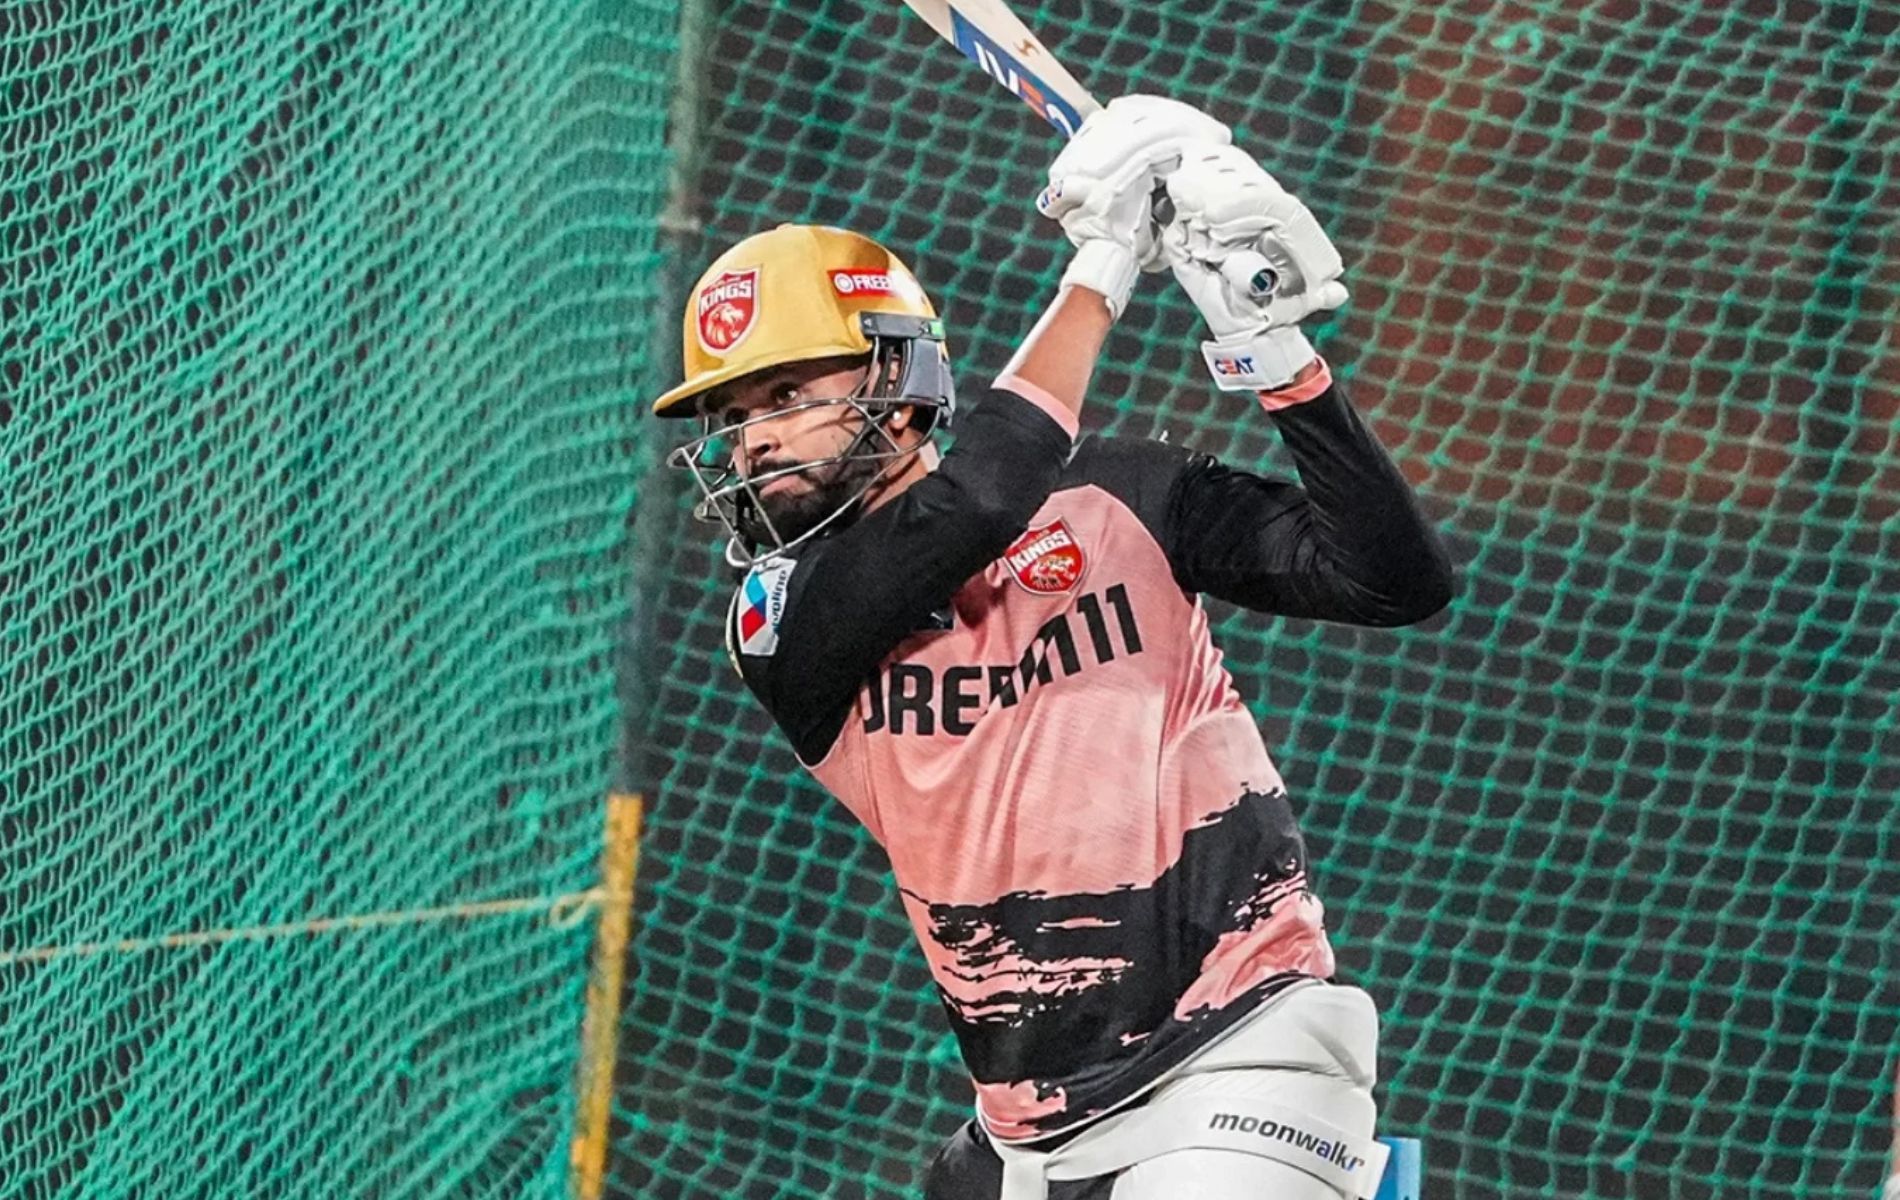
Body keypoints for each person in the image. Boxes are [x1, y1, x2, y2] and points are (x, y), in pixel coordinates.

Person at [650, 96, 1455, 1200]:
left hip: (1243, 1058)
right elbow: (976, 501)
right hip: (1028, 1133)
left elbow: (1395, 579)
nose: (756, 436)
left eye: (789, 393)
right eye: (732, 414)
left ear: (897, 383)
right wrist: (1106, 261)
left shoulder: (1122, 498)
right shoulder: (781, 615)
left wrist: (1269, 347)